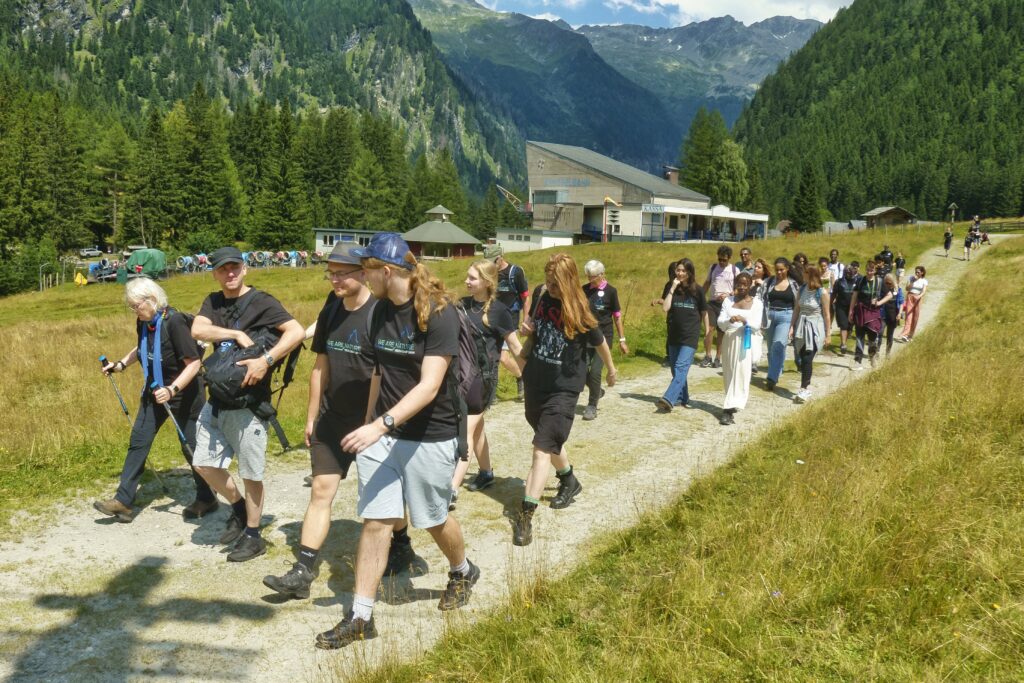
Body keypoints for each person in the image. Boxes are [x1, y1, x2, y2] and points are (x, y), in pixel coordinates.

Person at [315, 232, 478, 649]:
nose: (363, 276)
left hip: (431, 433)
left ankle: (461, 570)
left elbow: (428, 386)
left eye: (367, 268)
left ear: (386, 271)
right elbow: (378, 373)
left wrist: (378, 424)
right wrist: (372, 423)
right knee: (376, 521)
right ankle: (361, 616)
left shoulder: (440, 313)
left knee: (432, 517)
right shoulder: (379, 312)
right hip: (384, 434)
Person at [263, 243, 417, 600]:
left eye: (341, 273)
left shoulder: (382, 312)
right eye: (330, 273)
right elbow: (321, 366)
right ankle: (303, 571)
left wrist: (374, 423)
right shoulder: (331, 308)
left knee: (381, 498)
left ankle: (402, 541)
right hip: (333, 418)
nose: (334, 280)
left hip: (373, 423)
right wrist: (312, 416)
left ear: (364, 273)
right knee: (321, 491)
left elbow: (389, 372)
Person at [191, 247, 306, 562]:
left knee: (251, 473)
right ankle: (240, 509)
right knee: (203, 463)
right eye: (223, 269)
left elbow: (296, 332)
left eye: (235, 267)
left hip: (248, 403)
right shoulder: (213, 302)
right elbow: (198, 329)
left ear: (245, 269)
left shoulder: (262, 302)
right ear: (215, 273)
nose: (230, 273)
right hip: (216, 399)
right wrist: (237, 334)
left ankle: (254, 536)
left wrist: (265, 360)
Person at [512, 254, 617, 547]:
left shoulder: (581, 310)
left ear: (568, 282)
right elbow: (532, 329)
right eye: (548, 282)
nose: (550, 287)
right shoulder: (544, 297)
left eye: (555, 284)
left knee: (541, 448)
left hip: (564, 387)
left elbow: (600, 343)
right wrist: (526, 332)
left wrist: (611, 369)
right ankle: (569, 479)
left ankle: (525, 515)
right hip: (537, 380)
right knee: (547, 437)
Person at [93, 279, 215, 523]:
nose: (134, 311)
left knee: (190, 448)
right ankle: (124, 502)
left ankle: (207, 497)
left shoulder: (175, 322)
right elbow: (141, 348)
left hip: (184, 394)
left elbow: (194, 364)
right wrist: (119, 365)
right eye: (132, 307)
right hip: (153, 392)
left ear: (151, 300)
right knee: (138, 442)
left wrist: (172, 389)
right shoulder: (144, 321)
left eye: (136, 306)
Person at [451, 259, 523, 497]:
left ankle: (451, 489)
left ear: (487, 282)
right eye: (467, 277)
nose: (466, 281)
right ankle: (486, 473)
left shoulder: (499, 311)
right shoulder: (461, 305)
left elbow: (514, 345)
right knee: (477, 427)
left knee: (466, 431)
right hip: (462, 376)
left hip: (483, 379)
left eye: (472, 278)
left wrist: (529, 372)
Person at [656, 258, 706, 412]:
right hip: (674, 334)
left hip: (690, 335)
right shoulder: (671, 287)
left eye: (684, 270)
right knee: (675, 370)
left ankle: (669, 399)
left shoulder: (698, 290)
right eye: (678, 270)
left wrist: (708, 330)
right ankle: (682, 397)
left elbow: (704, 311)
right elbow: (665, 308)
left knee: (680, 367)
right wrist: (672, 288)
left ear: (690, 273)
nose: (680, 273)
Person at [581, 260, 628, 421]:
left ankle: (592, 406)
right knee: (580, 370)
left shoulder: (611, 291)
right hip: (586, 336)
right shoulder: (584, 290)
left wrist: (622, 339)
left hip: (604, 337)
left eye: (592, 276)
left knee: (595, 371)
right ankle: (597, 390)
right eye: (587, 276)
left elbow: (617, 317)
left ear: (602, 274)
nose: (589, 279)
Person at [717, 272, 763, 424]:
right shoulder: (728, 301)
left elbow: (757, 324)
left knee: (741, 373)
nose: (742, 287)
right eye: (739, 283)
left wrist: (745, 321)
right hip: (729, 339)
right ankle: (731, 404)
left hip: (745, 341)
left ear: (750, 285)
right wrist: (729, 320)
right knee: (729, 373)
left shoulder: (757, 303)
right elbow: (720, 322)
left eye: (745, 284)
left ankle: (727, 410)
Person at [489, 246, 528, 400]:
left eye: (493, 262)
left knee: (503, 358)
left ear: (500, 258)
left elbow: (525, 297)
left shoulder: (515, 272)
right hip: (492, 319)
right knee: (492, 356)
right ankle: (491, 394)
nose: (491, 265)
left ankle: (522, 377)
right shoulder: (491, 273)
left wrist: (526, 319)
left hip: (510, 320)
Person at [790, 266, 831, 403]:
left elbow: (826, 314)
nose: (803, 275)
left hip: (815, 328)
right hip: (801, 326)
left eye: (805, 273)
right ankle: (804, 385)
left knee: (808, 358)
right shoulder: (801, 290)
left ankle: (804, 388)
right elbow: (797, 309)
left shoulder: (822, 292)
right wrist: (791, 327)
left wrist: (828, 334)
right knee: (802, 357)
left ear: (811, 275)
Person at [700, 245, 739, 368]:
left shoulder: (734, 270)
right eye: (720, 259)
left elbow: (739, 288)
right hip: (711, 303)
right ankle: (707, 356)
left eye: (724, 260)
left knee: (721, 332)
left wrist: (729, 294)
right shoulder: (712, 268)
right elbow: (707, 283)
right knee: (709, 328)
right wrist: (699, 297)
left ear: (729, 258)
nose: (721, 262)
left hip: (726, 304)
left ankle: (718, 357)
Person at [763, 257, 799, 392]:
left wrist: (793, 325)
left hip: (786, 316)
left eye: (781, 270)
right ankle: (777, 369)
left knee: (778, 345)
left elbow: (797, 305)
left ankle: (771, 378)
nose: (778, 272)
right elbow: (761, 298)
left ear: (787, 269)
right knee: (771, 348)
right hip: (770, 316)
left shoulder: (794, 285)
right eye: (777, 270)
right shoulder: (769, 282)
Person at [850, 259, 885, 369]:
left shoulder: (879, 282)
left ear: (875, 271)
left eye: (872, 270)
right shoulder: (860, 281)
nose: (869, 272)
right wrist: (851, 311)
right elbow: (854, 296)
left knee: (872, 337)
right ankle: (858, 361)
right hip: (861, 311)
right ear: (865, 270)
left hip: (873, 312)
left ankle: (872, 358)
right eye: (868, 270)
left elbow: (889, 295)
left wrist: (879, 302)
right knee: (859, 336)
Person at [830, 261, 860, 355]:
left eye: (850, 272)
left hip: (853, 308)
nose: (848, 274)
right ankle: (843, 344)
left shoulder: (858, 281)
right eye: (846, 272)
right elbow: (834, 294)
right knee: (844, 325)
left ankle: (845, 339)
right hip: (841, 307)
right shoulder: (839, 282)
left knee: (850, 327)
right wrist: (830, 304)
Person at [897, 266, 928, 342]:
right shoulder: (911, 278)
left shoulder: (924, 281)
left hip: (918, 298)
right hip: (910, 296)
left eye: (918, 272)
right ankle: (905, 334)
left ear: (922, 273)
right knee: (908, 315)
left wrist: (919, 296)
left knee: (915, 317)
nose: (916, 273)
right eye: (916, 272)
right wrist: (913, 281)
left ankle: (910, 335)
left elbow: (924, 291)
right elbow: (907, 288)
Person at [880, 274, 900, 356]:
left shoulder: (898, 290)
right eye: (886, 283)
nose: (887, 285)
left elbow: (901, 302)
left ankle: (887, 353)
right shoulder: (881, 290)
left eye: (889, 283)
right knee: (880, 333)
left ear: (892, 282)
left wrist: (899, 313)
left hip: (892, 316)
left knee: (890, 335)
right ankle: (877, 351)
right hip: (883, 315)